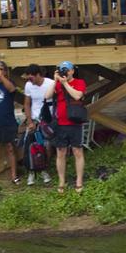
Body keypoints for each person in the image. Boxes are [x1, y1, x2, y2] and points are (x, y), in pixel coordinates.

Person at [52, 62, 87, 192]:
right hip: (60, 123)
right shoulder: (57, 83)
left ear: (72, 71)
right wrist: (55, 81)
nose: (64, 72)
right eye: (62, 70)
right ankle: (61, 181)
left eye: (66, 70)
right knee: (61, 153)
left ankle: (79, 181)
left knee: (77, 151)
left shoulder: (79, 82)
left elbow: (78, 96)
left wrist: (65, 83)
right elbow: (48, 96)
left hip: (75, 123)